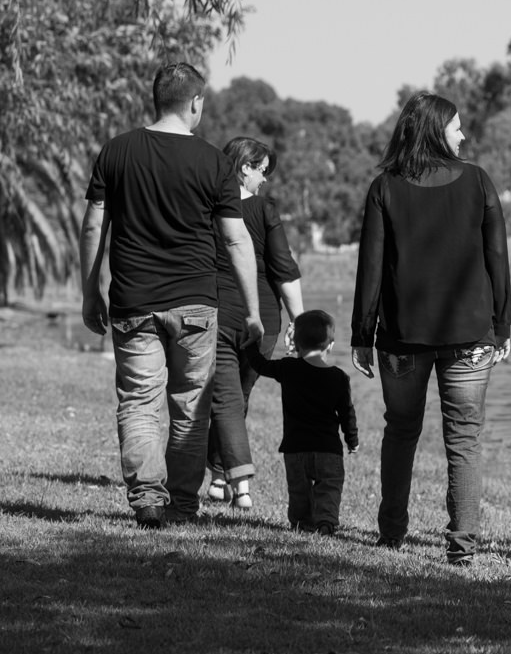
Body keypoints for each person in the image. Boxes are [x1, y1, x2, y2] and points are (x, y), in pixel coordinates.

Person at [79, 62, 262, 528]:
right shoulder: (213, 162)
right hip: (197, 304)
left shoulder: (117, 151)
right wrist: (255, 311)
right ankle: (181, 503)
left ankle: (147, 499)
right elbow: (237, 240)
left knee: (140, 401)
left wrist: (89, 290)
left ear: (156, 98)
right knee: (189, 404)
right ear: (196, 103)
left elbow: (93, 225)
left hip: (133, 302)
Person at [350, 92, 511, 565]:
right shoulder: (479, 181)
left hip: (402, 338)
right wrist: (501, 325)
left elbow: (371, 268)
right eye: (457, 126)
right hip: (471, 337)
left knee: (400, 430)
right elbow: (497, 257)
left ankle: (392, 533)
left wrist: (363, 334)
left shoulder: (385, 188)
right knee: (463, 438)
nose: (463, 135)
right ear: (436, 130)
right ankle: (462, 544)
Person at [206, 137, 304, 510]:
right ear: (244, 167)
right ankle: (228, 482)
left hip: (217, 312)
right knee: (235, 399)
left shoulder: (207, 207)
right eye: (262, 171)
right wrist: (298, 319)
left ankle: (228, 480)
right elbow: (284, 266)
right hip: (264, 320)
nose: (265, 180)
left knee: (226, 400)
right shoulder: (264, 210)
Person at [245, 310, 358, 535]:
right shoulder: (338, 377)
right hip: (328, 449)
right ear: (331, 345)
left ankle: (301, 523)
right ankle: (325, 521)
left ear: (295, 343)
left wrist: (251, 343)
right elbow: (347, 413)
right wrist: (352, 439)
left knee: (299, 491)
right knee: (329, 487)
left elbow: (260, 364)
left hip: (295, 449)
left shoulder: (288, 368)